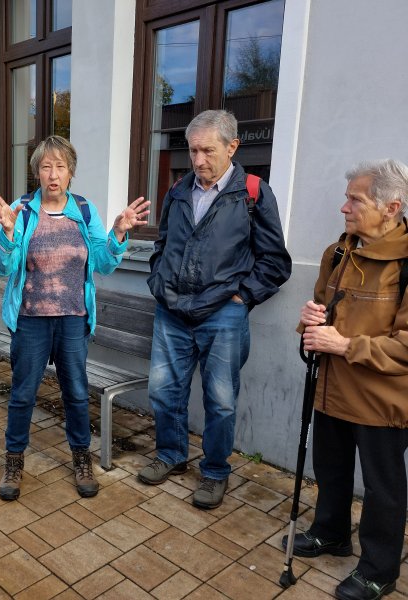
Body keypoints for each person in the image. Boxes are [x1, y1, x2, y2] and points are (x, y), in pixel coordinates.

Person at [138, 109, 291, 509]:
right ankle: (171, 455)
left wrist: (242, 298)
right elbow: (163, 244)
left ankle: (215, 471)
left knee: (220, 400)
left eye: (208, 150)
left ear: (232, 146)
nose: (199, 160)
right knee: (163, 391)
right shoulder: (178, 191)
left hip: (223, 314)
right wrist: (159, 281)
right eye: (193, 151)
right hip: (171, 310)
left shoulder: (254, 193)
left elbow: (275, 261)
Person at [0, 135, 150, 500]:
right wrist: (10, 233)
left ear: (71, 171)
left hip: (73, 320)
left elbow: (104, 263)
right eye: (46, 166)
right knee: (22, 394)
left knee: (76, 393)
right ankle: (14, 460)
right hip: (31, 320)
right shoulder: (23, 210)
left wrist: (119, 233)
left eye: (60, 166)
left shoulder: (84, 211)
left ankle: (81, 458)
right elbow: (2, 265)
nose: (53, 174)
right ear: (37, 172)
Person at [282, 160, 408, 600]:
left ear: (391, 207)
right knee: (330, 471)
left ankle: (379, 570)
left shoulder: (405, 265)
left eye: (355, 199)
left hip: (382, 402)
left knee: (383, 490)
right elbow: (320, 309)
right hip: (331, 389)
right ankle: (330, 533)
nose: (343, 208)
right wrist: (309, 321)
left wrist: (345, 345)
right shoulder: (338, 253)